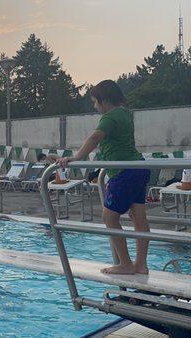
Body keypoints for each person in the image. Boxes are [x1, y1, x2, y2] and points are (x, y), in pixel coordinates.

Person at [57, 80, 150, 275]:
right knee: (138, 217)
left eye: (95, 102)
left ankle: (125, 263)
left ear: (104, 100)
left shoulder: (110, 117)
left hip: (123, 172)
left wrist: (75, 157)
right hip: (139, 167)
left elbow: (94, 138)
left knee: (109, 217)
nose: (94, 106)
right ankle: (141, 265)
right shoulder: (125, 113)